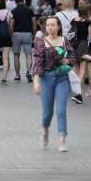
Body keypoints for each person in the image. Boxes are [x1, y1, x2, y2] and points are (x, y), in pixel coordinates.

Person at [32, 16, 75, 152]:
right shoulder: (41, 42)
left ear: (58, 27)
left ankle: (62, 141)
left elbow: (73, 58)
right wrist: (36, 82)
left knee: (61, 111)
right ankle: (45, 130)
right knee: (47, 113)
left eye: (53, 25)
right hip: (46, 78)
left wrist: (65, 61)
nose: (50, 27)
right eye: (48, 25)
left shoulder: (64, 41)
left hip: (62, 78)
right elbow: (37, 64)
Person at [11, 0, 36, 82]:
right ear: (23, 0)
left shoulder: (13, 11)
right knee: (28, 55)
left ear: (15, 1)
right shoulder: (29, 10)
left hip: (17, 34)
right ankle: (28, 71)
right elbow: (34, 22)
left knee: (16, 55)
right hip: (27, 34)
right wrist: (34, 34)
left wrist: (12, 34)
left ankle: (17, 75)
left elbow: (11, 24)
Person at [70, 4, 91, 103]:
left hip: (74, 46)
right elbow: (90, 36)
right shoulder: (88, 22)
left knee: (77, 71)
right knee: (83, 71)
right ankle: (79, 95)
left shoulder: (73, 20)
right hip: (83, 45)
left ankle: (78, 94)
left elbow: (70, 34)